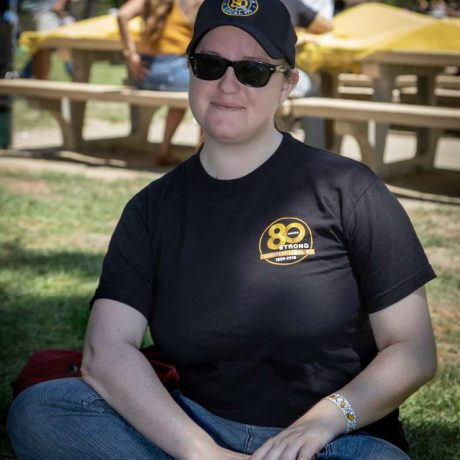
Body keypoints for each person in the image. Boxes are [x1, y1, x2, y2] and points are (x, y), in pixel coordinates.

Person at [8, 0, 438, 459]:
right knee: (43, 409)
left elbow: (412, 349)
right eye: (210, 64)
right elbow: (107, 350)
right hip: (191, 430)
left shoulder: (348, 189)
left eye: (253, 70)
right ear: (190, 71)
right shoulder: (151, 209)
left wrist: (324, 421)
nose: (228, 84)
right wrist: (203, 453)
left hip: (333, 440)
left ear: (287, 83)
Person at [117, 0, 202, 166]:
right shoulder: (193, 3)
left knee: (182, 96)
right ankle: (200, 153)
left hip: (144, 73)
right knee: (209, 86)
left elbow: (122, 15)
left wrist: (131, 54)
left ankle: (164, 150)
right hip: (175, 72)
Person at [281, 0, 333, 148]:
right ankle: (316, 150)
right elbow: (327, 26)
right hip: (267, 78)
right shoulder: (291, 3)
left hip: (226, 73)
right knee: (313, 87)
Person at [17, 0, 68, 79]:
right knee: (35, 50)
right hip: (25, 11)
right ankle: (35, 81)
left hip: (46, 11)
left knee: (44, 48)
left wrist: (60, 3)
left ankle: (42, 84)